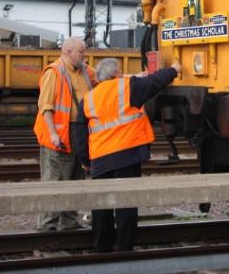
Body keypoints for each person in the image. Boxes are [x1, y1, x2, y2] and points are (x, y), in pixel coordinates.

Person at [72, 57, 181, 253]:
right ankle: (124, 248)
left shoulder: (88, 98)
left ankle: (101, 248)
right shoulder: (127, 87)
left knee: (101, 206)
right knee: (126, 205)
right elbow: (155, 82)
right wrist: (174, 69)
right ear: (115, 74)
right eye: (120, 71)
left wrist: (85, 160)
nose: (123, 74)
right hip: (127, 155)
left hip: (100, 159)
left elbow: (80, 133)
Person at [33, 36, 96, 231]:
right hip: (59, 135)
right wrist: (53, 134)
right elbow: (46, 107)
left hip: (78, 134)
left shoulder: (86, 71)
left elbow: (109, 79)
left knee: (75, 179)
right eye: (81, 52)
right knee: (54, 182)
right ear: (67, 52)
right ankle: (47, 226)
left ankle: (69, 223)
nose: (84, 55)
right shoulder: (54, 72)